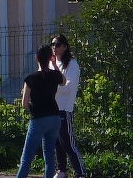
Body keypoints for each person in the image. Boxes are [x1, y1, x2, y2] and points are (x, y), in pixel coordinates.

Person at [14, 44, 66, 178]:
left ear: (36, 58)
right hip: (54, 118)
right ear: (50, 57)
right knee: (49, 157)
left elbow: (24, 103)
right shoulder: (55, 75)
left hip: (38, 119)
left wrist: (32, 105)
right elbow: (64, 82)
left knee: (27, 158)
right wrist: (54, 65)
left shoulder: (30, 79)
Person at [48, 35, 84, 177]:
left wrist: (52, 85)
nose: (54, 48)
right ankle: (61, 170)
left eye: (57, 44)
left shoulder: (72, 65)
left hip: (64, 108)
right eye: (52, 44)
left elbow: (68, 88)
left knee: (68, 143)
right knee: (57, 142)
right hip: (52, 108)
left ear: (65, 46)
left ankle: (80, 172)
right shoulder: (51, 63)